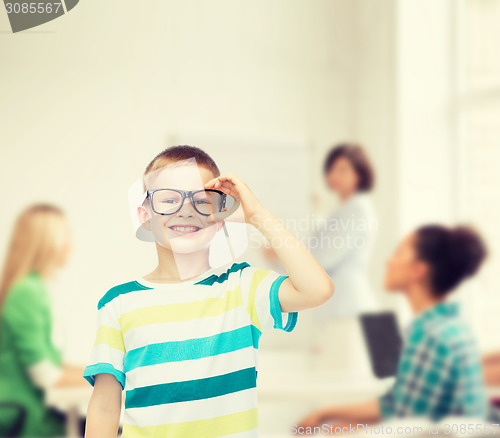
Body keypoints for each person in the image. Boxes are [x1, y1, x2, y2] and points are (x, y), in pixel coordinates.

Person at [83, 145, 335, 438]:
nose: (186, 211)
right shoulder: (118, 303)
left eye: (202, 201)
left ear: (220, 218)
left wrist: (257, 215)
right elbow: (103, 407)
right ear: (144, 215)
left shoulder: (242, 287)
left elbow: (317, 290)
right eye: (168, 200)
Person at [298, 224, 488, 431]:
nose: (389, 261)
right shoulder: (451, 327)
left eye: (399, 253)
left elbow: (407, 427)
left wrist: (344, 429)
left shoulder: (429, 336)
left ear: (418, 270)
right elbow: (395, 405)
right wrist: (326, 414)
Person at [0, 204, 88, 437]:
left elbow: (54, 364)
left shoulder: (35, 289)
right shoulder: (26, 293)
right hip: (26, 421)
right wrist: (112, 380)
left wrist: (110, 372)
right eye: (65, 237)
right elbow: (48, 376)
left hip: (40, 417)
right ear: (46, 243)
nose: (70, 246)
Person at [312, 142, 378, 319]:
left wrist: (283, 254)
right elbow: (324, 243)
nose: (334, 175)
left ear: (359, 174)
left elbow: (323, 256)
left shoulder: (357, 209)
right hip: (342, 307)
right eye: (331, 169)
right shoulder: (347, 209)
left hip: (348, 307)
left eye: (342, 170)